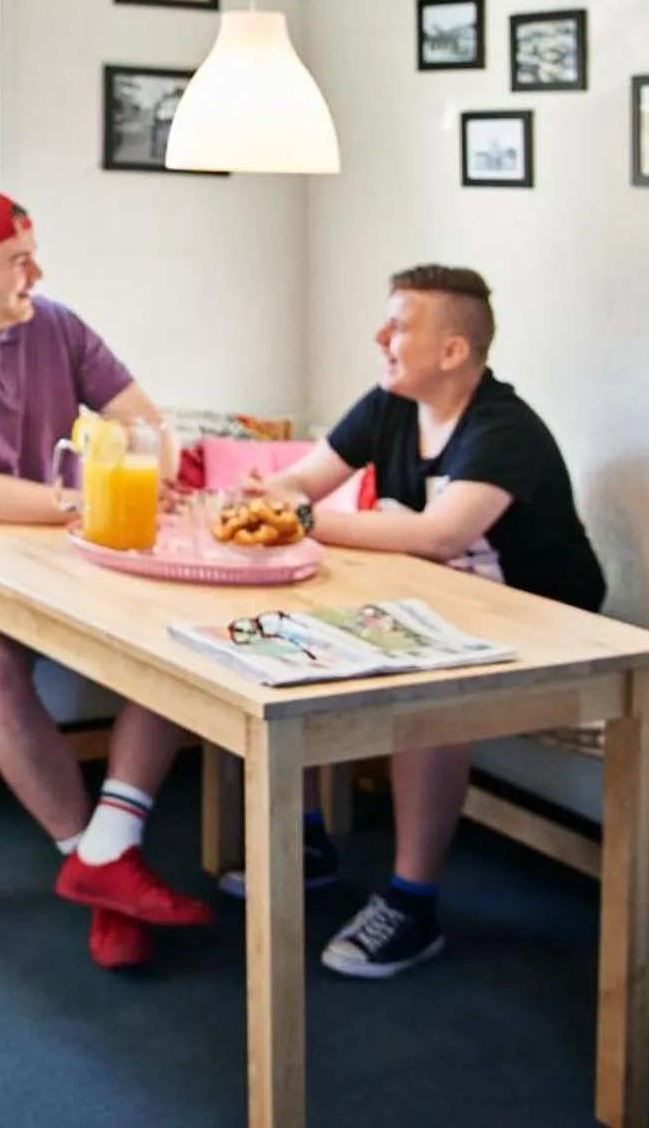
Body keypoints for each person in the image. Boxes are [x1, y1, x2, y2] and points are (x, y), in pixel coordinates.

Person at [0, 193, 214, 970]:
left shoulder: (56, 325)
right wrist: (90, 498)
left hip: (53, 547)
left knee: (174, 639)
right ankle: (93, 858)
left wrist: (150, 466)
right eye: (19, 260)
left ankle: (108, 849)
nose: (38, 272)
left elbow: (145, 423)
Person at [234, 265, 603, 981]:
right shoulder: (390, 405)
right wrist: (275, 496)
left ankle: (413, 903)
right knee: (280, 636)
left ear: (453, 352)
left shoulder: (504, 429)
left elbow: (439, 534)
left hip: (546, 626)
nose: (381, 337)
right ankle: (306, 843)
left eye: (399, 325)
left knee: (420, 697)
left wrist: (305, 519)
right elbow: (303, 482)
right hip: (447, 609)